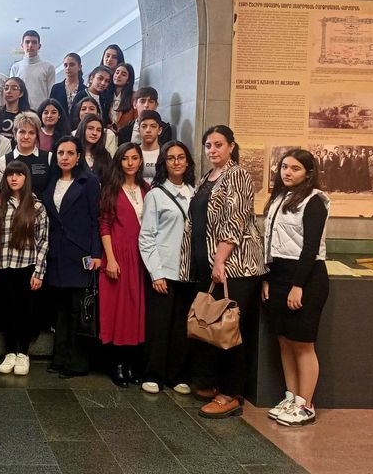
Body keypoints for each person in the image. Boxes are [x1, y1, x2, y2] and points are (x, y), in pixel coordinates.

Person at [179, 125, 265, 418]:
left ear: (231, 146)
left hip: (235, 267)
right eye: (208, 145)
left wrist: (220, 261)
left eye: (218, 144)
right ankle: (218, 383)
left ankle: (231, 394)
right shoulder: (207, 177)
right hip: (210, 266)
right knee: (213, 327)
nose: (212, 150)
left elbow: (235, 220)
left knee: (230, 329)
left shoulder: (237, 175)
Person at [262, 148, 330, 427]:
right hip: (278, 274)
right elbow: (270, 241)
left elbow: (310, 248)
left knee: (302, 343)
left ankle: (305, 404)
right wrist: (267, 278)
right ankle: (291, 397)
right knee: (284, 340)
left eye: (295, 168)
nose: (287, 172)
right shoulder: (279, 197)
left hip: (306, 277)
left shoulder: (315, 201)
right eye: (284, 167)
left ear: (308, 173)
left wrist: (298, 285)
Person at [139, 140, 197, 395]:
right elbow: (146, 236)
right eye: (171, 158)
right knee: (159, 326)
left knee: (182, 326)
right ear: (164, 163)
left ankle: (177, 375)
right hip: (164, 269)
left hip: (189, 271)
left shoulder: (196, 193)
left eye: (181, 157)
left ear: (188, 161)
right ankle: (153, 374)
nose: (176, 162)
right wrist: (156, 273)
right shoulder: (155, 195)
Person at [43, 135, 102, 378]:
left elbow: (96, 219)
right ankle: (59, 358)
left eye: (70, 153)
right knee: (60, 308)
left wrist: (96, 253)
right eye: (60, 153)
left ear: (78, 157)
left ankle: (76, 363)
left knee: (78, 309)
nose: (65, 157)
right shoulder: (51, 181)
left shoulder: (89, 181)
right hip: (56, 253)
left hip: (80, 253)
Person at [0, 162, 49, 377]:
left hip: (26, 265)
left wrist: (39, 272)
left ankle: (23, 353)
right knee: (6, 310)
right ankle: (10, 352)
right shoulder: (0, 205)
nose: (14, 178)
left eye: (19, 174)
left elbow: (43, 241)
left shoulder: (37, 206)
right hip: (3, 265)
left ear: (26, 178)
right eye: (10, 174)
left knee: (25, 311)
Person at [99, 142, 149, 387]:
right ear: (119, 161)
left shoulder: (147, 188)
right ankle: (117, 365)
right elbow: (104, 226)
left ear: (140, 161)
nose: (130, 163)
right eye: (125, 158)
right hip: (118, 255)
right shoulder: (111, 188)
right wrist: (111, 258)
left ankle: (131, 364)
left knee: (136, 311)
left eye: (134, 158)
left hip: (141, 256)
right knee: (118, 311)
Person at [0, 112, 51, 198]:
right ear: (15, 134)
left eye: (31, 133)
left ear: (37, 136)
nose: (26, 137)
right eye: (22, 132)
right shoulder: (3, 161)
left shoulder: (49, 158)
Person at [9, 29, 55, 107]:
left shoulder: (48, 67)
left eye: (34, 42)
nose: (30, 45)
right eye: (27, 42)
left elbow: (51, 94)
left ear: (39, 46)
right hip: (20, 111)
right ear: (22, 45)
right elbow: (12, 93)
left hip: (40, 111)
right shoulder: (15, 67)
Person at [77, 114, 113, 183]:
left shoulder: (105, 155)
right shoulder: (73, 153)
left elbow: (110, 181)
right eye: (90, 128)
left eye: (99, 130)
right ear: (82, 129)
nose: (94, 133)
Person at [136, 110, 163, 182]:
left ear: (159, 130)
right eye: (144, 126)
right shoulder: (131, 152)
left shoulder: (166, 153)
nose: (148, 130)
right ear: (138, 130)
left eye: (153, 126)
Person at [109, 63, 137, 131]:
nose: (118, 76)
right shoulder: (106, 96)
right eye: (117, 72)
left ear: (128, 80)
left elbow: (137, 121)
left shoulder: (134, 97)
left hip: (128, 135)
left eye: (123, 74)